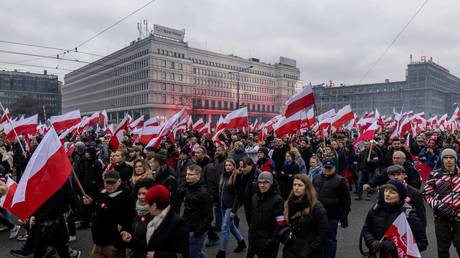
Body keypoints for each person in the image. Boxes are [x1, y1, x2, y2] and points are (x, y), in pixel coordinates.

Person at [362, 180, 428, 258]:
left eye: (392, 192)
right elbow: (366, 229)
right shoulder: (376, 209)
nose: (387, 194)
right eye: (386, 191)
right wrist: (372, 242)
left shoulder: (409, 215)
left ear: (400, 196)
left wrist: (396, 246)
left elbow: (422, 243)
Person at [83, 170, 135, 258]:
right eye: (107, 182)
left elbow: (128, 222)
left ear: (119, 181)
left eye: (112, 183)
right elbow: (98, 211)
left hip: (112, 245)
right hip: (98, 243)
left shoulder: (126, 198)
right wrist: (90, 204)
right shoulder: (103, 193)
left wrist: (118, 245)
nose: (109, 185)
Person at [364, 165, 427, 229]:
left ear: (404, 175)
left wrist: (420, 233)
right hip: (387, 226)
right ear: (389, 176)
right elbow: (378, 210)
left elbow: (421, 216)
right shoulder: (383, 190)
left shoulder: (415, 193)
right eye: (393, 175)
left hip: (407, 227)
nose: (396, 177)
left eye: (398, 174)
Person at [424, 148, 460, 258]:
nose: (448, 160)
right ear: (442, 159)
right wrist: (438, 205)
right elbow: (426, 194)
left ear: (455, 159)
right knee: (443, 249)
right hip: (441, 219)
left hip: (459, 219)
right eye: (445, 157)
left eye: (451, 157)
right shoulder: (434, 174)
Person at [282, 174, 328, 258]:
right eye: (294, 185)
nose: (296, 188)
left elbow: (323, 232)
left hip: (309, 251)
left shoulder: (316, 207)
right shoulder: (289, 202)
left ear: (306, 187)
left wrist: (311, 248)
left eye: (300, 185)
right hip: (292, 249)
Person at [313, 160, 351, 258]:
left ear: (334, 168)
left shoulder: (340, 180)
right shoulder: (316, 178)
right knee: (318, 238)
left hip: (331, 217)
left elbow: (346, 201)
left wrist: (343, 217)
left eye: (330, 168)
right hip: (316, 216)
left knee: (330, 240)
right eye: (326, 168)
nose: (327, 170)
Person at [247, 172, 285, 258]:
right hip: (254, 239)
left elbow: (281, 223)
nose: (262, 185)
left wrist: (271, 241)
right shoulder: (255, 197)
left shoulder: (277, 200)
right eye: (260, 182)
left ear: (271, 183)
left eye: (265, 182)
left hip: (268, 242)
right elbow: (252, 217)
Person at [144, 184, 189, 258]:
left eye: (148, 204)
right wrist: (131, 240)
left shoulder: (177, 223)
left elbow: (182, 255)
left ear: (154, 205)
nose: (147, 207)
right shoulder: (155, 217)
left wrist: (156, 255)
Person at [215, 159, 246, 258]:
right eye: (226, 165)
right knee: (231, 226)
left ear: (233, 166)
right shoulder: (223, 175)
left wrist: (233, 210)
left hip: (230, 208)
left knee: (225, 228)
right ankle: (241, 242)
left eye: (229, 165)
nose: (227, 167)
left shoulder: (236, 177)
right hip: (222, 206)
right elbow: (220, 192)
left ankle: (222, 252)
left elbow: (238, 195)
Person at [183, 164, 213, 258]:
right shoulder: (189, 188)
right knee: (197, 253)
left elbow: (208, 216)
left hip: (196, 230)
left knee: (193, 254)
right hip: (188, 228)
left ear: (198, 176)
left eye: (191, 174)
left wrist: (197, 231)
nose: (187, 176)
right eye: (187, 174)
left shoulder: (203, 193)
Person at [121, 178, 155, 258]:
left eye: (144, 194)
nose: (141, 197)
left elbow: (152, 245)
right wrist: (129, 237)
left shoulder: (155, 215)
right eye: (139, 194)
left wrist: (132, 241)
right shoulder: (137, 210)